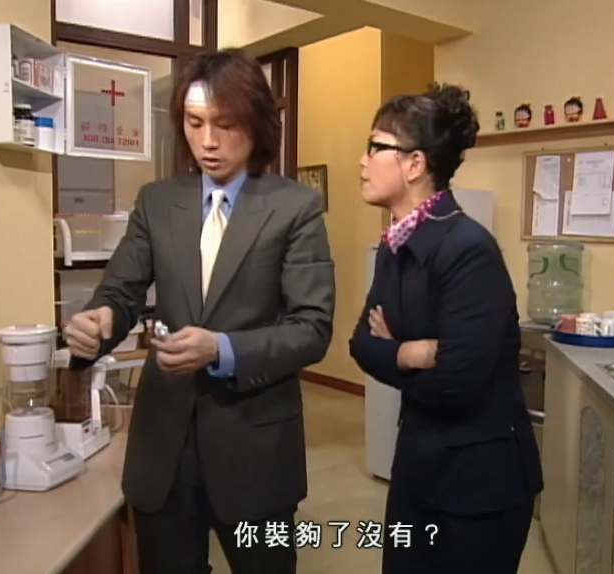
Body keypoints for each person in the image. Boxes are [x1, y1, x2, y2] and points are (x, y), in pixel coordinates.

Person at [63, 49, 335, 574]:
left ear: (256, 122)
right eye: (194, 123)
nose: (208, 141)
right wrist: (101, 321)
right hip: (164, 445)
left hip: (255, 444)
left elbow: (312, 328)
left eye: (224, 124)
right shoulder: (158, 202)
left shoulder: (294, 207)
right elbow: (120, 292)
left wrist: (222, 349)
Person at [348, 84, 543, 573]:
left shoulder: (468, 249)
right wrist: (413, 352)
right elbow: (361, 344)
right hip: (418, 468)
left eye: (375, 147)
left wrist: (397, 351)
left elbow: (458, 383)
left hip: (478, 485)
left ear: (414, 164)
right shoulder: (395, 246)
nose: (362, 161)